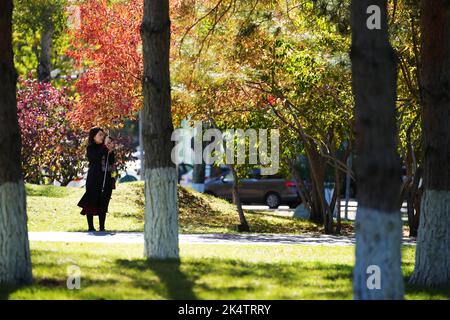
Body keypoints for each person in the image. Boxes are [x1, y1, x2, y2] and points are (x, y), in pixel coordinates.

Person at [77, 127, 116, 232]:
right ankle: (90, 227)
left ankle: (102, 226)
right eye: (100, 135)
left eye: (103, 135)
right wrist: (105, 147)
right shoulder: (91, 148)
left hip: (106, 178)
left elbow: (111, 162)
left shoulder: (105, 147)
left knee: (104, 201)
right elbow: (96, 158)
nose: (102, 137)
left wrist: (111, 151)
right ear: (93, 136)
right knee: (91, 201)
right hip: (94, 179)